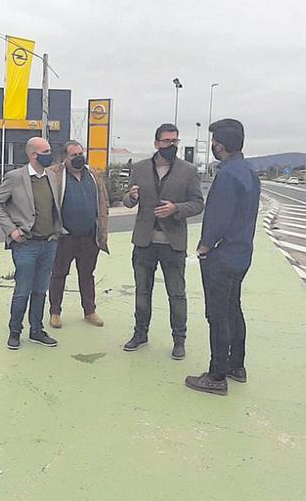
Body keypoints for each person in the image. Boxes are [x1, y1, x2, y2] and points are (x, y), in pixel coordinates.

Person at [185, 118, 260, 396]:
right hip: (242, 253)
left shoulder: (227, 175)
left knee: (217, 315)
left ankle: (216, 375)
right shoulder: (249, 172)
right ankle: (236, 365)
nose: (214, 145)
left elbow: (218, 217)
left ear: (223, 144)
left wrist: (205, 246)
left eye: (215, 141)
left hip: (222, 255)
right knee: (233, 309)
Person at [123, 123, 204, 359]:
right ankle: (140, 334)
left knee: (176, 294)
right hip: (144, 241)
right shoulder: (139, 168)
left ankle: (179, 340)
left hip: (173, 243)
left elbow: (198, 203)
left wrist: (175, 208)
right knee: (142, 291)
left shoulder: (188, 171)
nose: (171, 145)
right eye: (167, 141)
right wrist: (131, 195)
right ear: (156, 143)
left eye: (175, 141)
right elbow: (128, 201)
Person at [0, 137, 64, 350]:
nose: (50, 154)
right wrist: (11, 230)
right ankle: (15, 331)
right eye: (46, 151)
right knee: (23, 290)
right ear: (33, 155)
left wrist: (57, 232)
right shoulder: (15, 178)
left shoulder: (51, 176)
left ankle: (36, 330)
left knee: (41, 289)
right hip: (25, 245)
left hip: (49, 243)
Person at [47, 140, 110, 329]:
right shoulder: (54, 175)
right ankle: (55, 312)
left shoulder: (94, 175)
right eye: (73, 155)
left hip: (89, 237)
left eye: (80, 153)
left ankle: (89, 311)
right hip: (64, 237)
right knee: (58, 275)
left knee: (87, 275)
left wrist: (102, 231)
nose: (78, 158)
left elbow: (103, 202)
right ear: (64, 158)